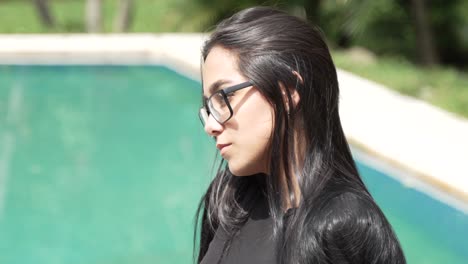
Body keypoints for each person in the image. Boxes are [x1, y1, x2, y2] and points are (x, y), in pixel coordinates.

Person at [194, 6, 406, 264]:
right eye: (209, 106)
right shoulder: (229, 199)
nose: (211, 125)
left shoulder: (341, 228)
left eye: (224, 97)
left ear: (287, 92)